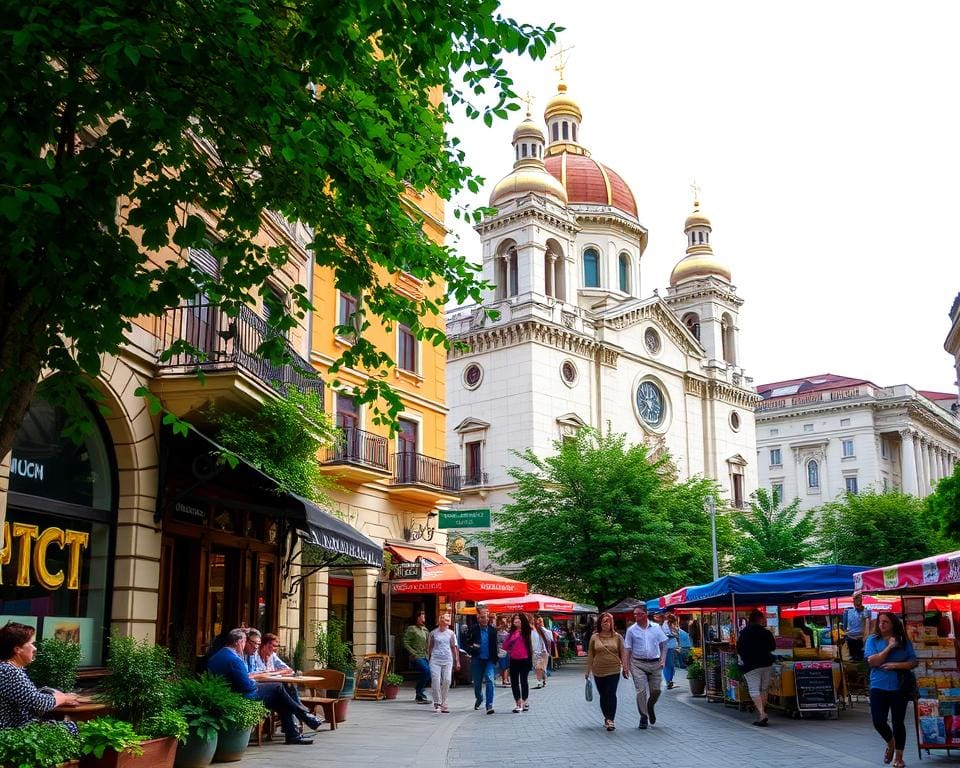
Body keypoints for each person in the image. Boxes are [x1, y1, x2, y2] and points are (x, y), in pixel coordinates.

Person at [207, 627, 318, 745]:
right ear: (239, 642)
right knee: (278, 688)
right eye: (245, 642)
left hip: (228, 694)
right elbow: (247, 687)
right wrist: (255, 683)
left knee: (282, 698)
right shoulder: (234, 659)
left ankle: (294, 734)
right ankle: (305, 717)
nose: (245, 646)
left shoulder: (215, 657)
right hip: (241, 696)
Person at [0, 622, 80, 734]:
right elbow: (37, 703)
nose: (34, 648)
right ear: (18, 649)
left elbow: (26, 696)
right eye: (31, 643)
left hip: (16, 728)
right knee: (74, 727)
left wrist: (53, 694)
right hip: (14, 732)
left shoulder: (7, 668)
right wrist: (63, 698)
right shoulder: (8, 671)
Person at [866, 611, 918, 768]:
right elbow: (873, 661)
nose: (882, 624)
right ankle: (891, 743)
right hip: (878, 685)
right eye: (880, 622)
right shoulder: (873, 640)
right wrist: (889, 647)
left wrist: (896, 665)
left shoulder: (903, 641)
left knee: (898, 722)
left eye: (886, 622)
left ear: (893, 624)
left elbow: (913, 661)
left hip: (899, 686)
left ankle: (899, 757)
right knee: (878, 721)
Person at [621, 604, 668, 729]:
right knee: (641, 691)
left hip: (655, 663)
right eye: (635, 614)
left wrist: (663, 660)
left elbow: (664, 645)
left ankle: (650, 706)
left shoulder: (657, 628)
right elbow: (627, 649)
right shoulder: (631, 630)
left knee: (656, 690)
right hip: (637, 663)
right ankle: (643, 716)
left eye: (639, 614)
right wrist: (625, 666)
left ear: (646, 614)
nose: (636, 616)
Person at [736, 609, 777, 727]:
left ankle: (762, 713)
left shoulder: (744, 633)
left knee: (754, 689)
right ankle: (761, 714)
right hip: (766, 663)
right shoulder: (766, 632)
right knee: (763, 689)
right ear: (759, 619)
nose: (765, 620)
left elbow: (739, 648)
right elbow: (773, 647)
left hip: (751, 665)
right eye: (763, 618)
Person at [585, 612, 624, 732]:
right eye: (603, 621)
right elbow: (591, 655)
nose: (605, 623)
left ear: (612, 623)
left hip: (614, 669)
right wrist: (588, 671)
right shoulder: (594, 637)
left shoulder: (618, 637)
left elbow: (623, 653)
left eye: (608, 621)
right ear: (599, 623)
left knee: (611, 693)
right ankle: (606, 717)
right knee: (603, 694)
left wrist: (626, 667)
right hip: (598, 670)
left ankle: (610, 719)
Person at [465, 607, 498, 714]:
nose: (485, 619)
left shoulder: (492, 630)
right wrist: (472, 648)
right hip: (477, 659)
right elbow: (467, 643)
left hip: (489, 660)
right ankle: (479, 698)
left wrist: (496, 658)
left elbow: (495, 646)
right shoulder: (473, 629)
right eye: (483, 617)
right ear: (478, 618)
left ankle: (489, 704)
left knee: (490, 680)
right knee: (477, 683)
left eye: (487, 617)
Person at [427, 614, 459, 714]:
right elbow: (430, 647)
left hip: (447, 659)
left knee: (447, 680)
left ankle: (444, 702)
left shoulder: (451, 633)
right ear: (439, 621)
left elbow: (454, 647)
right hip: (435, 659)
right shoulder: (433, 633)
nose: (444, 621)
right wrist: (428, 658)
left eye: (446, 620)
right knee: (436, 680)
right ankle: (437, 703)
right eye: (442, 619)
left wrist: (457, 661)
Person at [501, 613, 533, 713]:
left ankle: (525, 701)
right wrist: (511, 638)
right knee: (514, 682)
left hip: (525, 659)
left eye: (518, 618)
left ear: (522, 620)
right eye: (514, 618)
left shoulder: (527, 631)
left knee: (523, 681)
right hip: (514, 660)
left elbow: (531, 641)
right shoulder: (511, 633)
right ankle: (518, 703)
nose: (516, 620)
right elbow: (505, 646)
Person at [403, 611, 431, 704]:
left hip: (425, 655)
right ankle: (420, 691)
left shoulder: (425, 630)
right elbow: (406, 642)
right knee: (426, 670)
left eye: (424, 616)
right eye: (422, 616)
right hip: (416, 655)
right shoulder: (412, 629)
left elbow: (428, 643)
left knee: (428, 672)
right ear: (418, 618)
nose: (424, 618)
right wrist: (412, 652)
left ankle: (419, 693)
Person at [842, 591, 871, 662]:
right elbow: (845, 626)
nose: (857, 600)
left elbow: (869, 625)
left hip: (863, 639)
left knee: (863, 658)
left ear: (861, 600)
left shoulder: (867, 611)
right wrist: (848, 634)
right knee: (852, 659)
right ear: (853, 600)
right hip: (851, 639)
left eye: (859, 598)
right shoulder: (848, 611)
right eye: (855, 598)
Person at [532, 616, 552, 688]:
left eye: (539, 621)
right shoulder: (532, 631)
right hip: (534, 652)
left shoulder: (544, 631)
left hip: (543, 652)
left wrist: (541, 627)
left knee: (538, 667)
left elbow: (550, 639)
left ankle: (539, 682)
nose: (537, 623)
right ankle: (544, 679)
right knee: (540, 668)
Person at [662, 614, 679, 689]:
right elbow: (666, 635)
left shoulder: (670, 625)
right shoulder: (665, 625)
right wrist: (674, 635)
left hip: (671, 647)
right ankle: (668, 681)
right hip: (667, 647)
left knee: (671, 665)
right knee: (668, 665)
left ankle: (670, 681)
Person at [495, 616, 510, 686]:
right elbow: (498, 642)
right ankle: (504, 679)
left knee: (506, 665)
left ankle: (505, 679)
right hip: (501, 650)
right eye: (503, 623)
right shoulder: (498, 633)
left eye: (505, 622)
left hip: (506, 650)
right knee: (503, 665)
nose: (504, 624)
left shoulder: (506, 632)